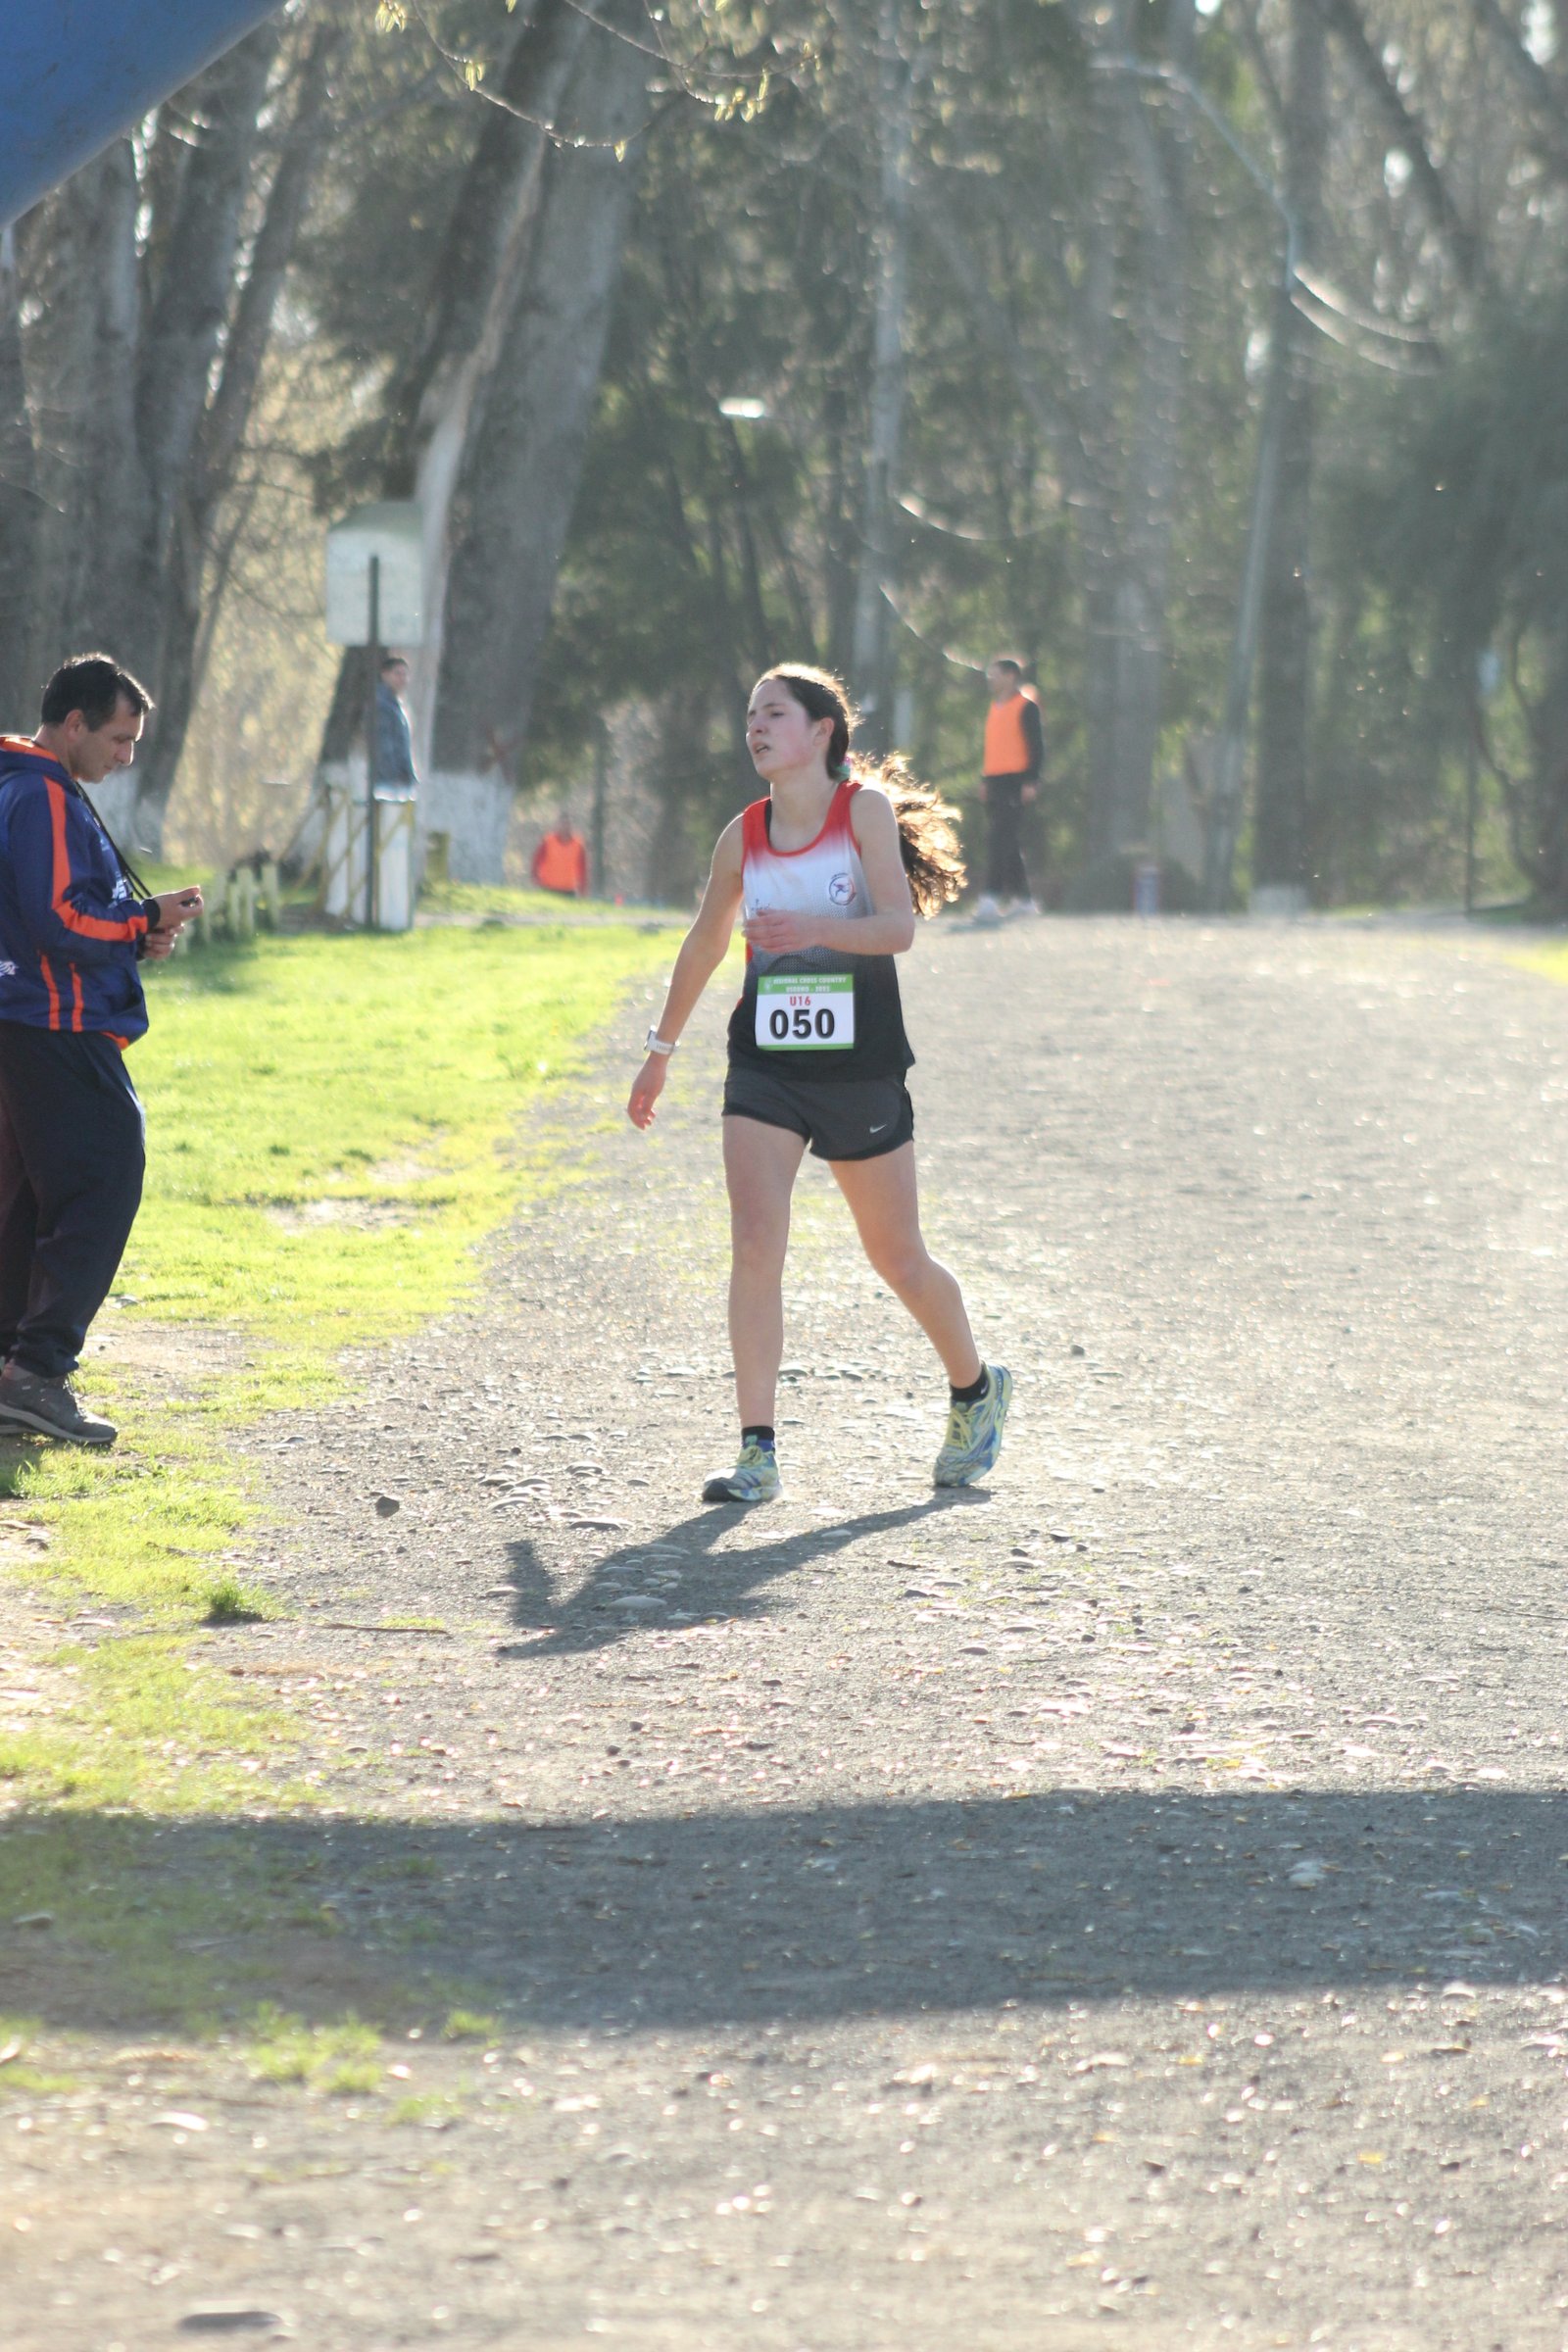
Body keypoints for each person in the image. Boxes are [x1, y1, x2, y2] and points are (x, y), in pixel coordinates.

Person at [626, 663, 1011, 1503]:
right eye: (750, 715)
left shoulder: (861, 814)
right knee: (756, 1244)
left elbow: (897, 929)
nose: (756, 728)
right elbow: (704, 944)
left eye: (774, 713)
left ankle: (976, 1388)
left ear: (820, 732)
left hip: (860, 1066)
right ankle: (756, 1452)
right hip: (765, 1065)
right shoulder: (744, 834)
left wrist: (811, 928)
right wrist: (661, 1050)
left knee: (898, 1257)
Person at [0, 655, 204, 1446]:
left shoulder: (32, 788)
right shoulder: (40, 793)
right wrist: (136, 921)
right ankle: (39, 1370)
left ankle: (15, 1366)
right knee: (107, 1171)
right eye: (118, 738)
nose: (125, 756)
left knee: (29, 1192)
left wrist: (136, 930)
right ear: (74, 723)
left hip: (33, 1016)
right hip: (52, 1022)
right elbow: (55, 918)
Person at [975, 655, 1043, 921]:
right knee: (1008, 842)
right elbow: (994, 747)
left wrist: (1032, 780)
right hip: (996, 781)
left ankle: (990, 896)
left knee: (999, 839)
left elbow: (1037, 746)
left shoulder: (1026, 706)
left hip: (1016, 781)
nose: (991, 679)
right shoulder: (995, 707)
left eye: (996, 674)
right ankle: (1024, 900)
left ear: (1011, 676)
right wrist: (985, 780)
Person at [374, 652, 417, 790]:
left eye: (405, 674)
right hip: (388, 784)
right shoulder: (381, 705)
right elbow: (383, 745)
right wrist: (392, 778)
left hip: (400, 781)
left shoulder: (397, 705)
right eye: (397, 674)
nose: (402, 678)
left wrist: (411, 778)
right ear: (385, 675)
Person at [531, 812, 589, 899]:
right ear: (558, 825)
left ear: (571, 826)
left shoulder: (578, 844)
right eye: (563, 823)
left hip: (568, 890)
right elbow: (537, 860)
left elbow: (582, 868)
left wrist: (583, 889)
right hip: (548, 888)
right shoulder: (548, 841)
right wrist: (535, 876)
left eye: (568, 824)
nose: (565, 827)